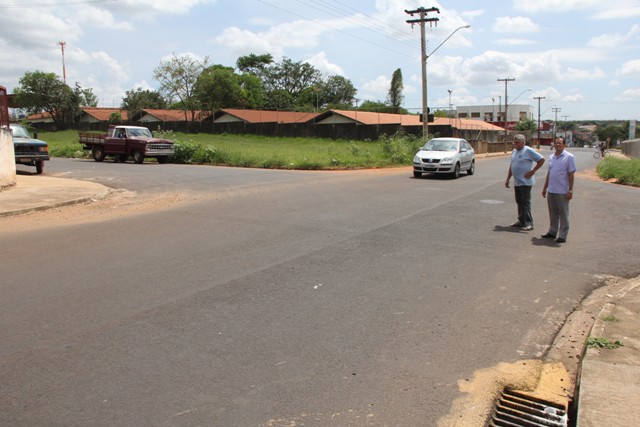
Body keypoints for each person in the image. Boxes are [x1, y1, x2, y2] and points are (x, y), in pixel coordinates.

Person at [505, 134, 545, 231]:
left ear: (523, 142)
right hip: (517, 181)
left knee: (526, 202)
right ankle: (521, 220)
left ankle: (529, 222)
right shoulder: (514, 151)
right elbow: (512, 165)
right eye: (514, 142)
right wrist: (508, 178)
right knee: (519, 202)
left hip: (525, 181)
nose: (515, 144)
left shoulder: (528, 150)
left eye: (517, 143)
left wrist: (533, 171)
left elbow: (541, 159)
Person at [541, 137, 577, 243]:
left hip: (562, 191)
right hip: (552, 190)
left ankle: (562, 235)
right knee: (553, 213)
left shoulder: (569, 157)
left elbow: (571, 174)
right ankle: (552, 231)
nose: (557, 145)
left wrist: (570, 190)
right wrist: (545, 188)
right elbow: (549, 173)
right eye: (556, 143)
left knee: (564, 214)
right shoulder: (552, 157)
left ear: (564, 145)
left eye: (560, 143)